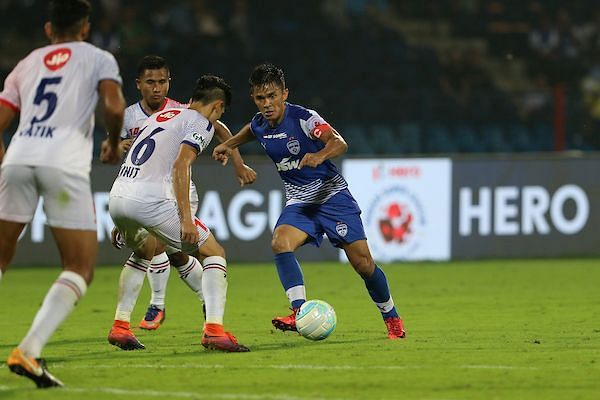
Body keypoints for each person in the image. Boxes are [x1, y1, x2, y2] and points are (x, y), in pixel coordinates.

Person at [213, 63, 406, 339]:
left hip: (332, 197)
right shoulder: (260, 123)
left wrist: (320, 155)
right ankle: (299, 311)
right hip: (301, 203)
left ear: (284, 94)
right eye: (260, 98)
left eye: (272, 96)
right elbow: (252, 130)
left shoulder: (305, 119)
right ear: (254, 99)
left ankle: (392, 318)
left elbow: (339, 142)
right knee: (280, 241)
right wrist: (228, 144)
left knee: (363, 264)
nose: (267, 104)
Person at [0, 0, 125, 388]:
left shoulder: (27, 63)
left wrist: (7, 162)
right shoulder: (99, 58)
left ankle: (30, 352)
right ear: (85, 28)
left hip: (19, 158)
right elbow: (114, 105)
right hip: (64, 163)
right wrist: (113, 141)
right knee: (79, 266)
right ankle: (29, 348)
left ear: (49, 29)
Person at [112, 55, 256, 332]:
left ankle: (122, 324)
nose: (157, 87)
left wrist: (122, 218)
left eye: (162, 81)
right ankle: (212, 327)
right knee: (213, 252)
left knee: (151, 250)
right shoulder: (195, 119)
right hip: (158, 196)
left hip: (121, 194)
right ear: (217, 106)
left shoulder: (160, 117)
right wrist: (186, 219)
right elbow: (181, 164)